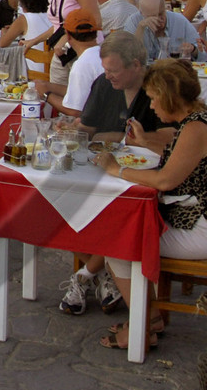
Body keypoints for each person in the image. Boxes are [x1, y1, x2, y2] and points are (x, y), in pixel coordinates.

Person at [96, 59, 207, 351]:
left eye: (155, 99)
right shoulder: (206, 116)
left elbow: (164, 181)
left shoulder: (196, 129)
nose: (153, 106)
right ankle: (152, 317)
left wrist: (115, 170)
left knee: (116, 243)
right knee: (127, 230)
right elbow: (181, 153)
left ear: (170, 98)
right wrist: (146, 140)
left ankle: (141, 328)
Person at [56, 32, 173, 318]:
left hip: (152, 175)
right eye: (106, 69)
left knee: (116, 217)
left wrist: (126, 137)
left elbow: (172, 137)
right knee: (65, 207)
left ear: (136, 65)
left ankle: (87, 275)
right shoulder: (104, 85)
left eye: (114, 70)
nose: (108, 76)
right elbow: (89, 128)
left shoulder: (159, 88)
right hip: (107, 167)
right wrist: (69, 129)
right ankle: (108, 271)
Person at [53, 9, 103, 116]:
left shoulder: (82, 64)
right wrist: (47, 87)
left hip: (95, 126)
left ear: (68, 36)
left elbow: (75, 111)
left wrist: (46, 95)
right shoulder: (104, 55)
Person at [136, 0, 201, 62]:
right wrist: (140, 29)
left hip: (175, 70)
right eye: (153, 16)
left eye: (161, 14)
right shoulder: (134, 22)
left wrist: (193, 49)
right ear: (142, 14)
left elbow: (203, 53)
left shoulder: (179, 21)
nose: (159, 19)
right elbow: (130, 57)